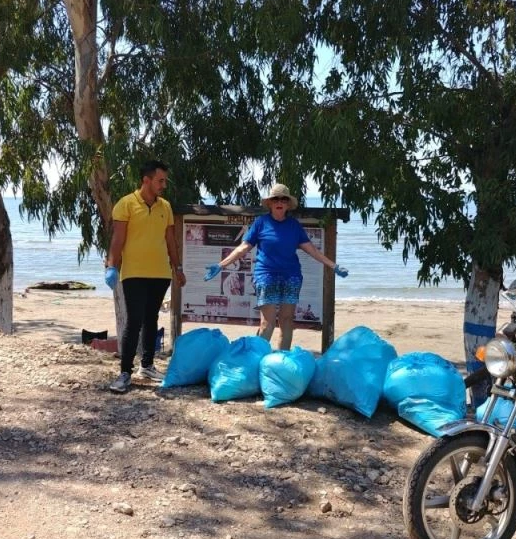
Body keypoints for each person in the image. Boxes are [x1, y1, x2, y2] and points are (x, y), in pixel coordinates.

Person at [204, 183, 348, 350]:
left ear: (288, 204)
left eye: (284, 199)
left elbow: (313, 251)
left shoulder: (294, 225)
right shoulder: (261, 223)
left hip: (291, 276)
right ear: (270, 203)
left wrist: (334, 266)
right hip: (266, 276)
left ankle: (282, 361)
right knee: (268, 322)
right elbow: (244, 247)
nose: (280, 202)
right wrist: (221, 265)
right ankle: (256, 359)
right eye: (276, 199)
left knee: (287, 320)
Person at [105, 160, 187, 394]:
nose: (164, 185)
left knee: (151, 319)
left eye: (165, 181)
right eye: (160, 180)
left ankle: (148, 365)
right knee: (134, 320)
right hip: (134, 273)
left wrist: (177, 267)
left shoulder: (165, 207)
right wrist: (112, 266)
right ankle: (124, 372)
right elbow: (118, 240)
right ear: (146, 180)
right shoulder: (126, 204)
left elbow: (170, 240)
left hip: (160, 273)